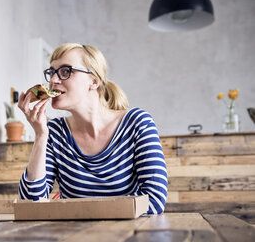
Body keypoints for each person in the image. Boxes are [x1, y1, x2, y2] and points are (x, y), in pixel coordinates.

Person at [17, 43, 167, 214]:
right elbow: (32, 205)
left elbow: (154, 200)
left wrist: (78, 212)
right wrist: (40, 135)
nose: (53, 80)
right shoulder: (54, 132)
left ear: (94, 81)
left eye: (66, 71)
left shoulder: (137, 123)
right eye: (51, 72)